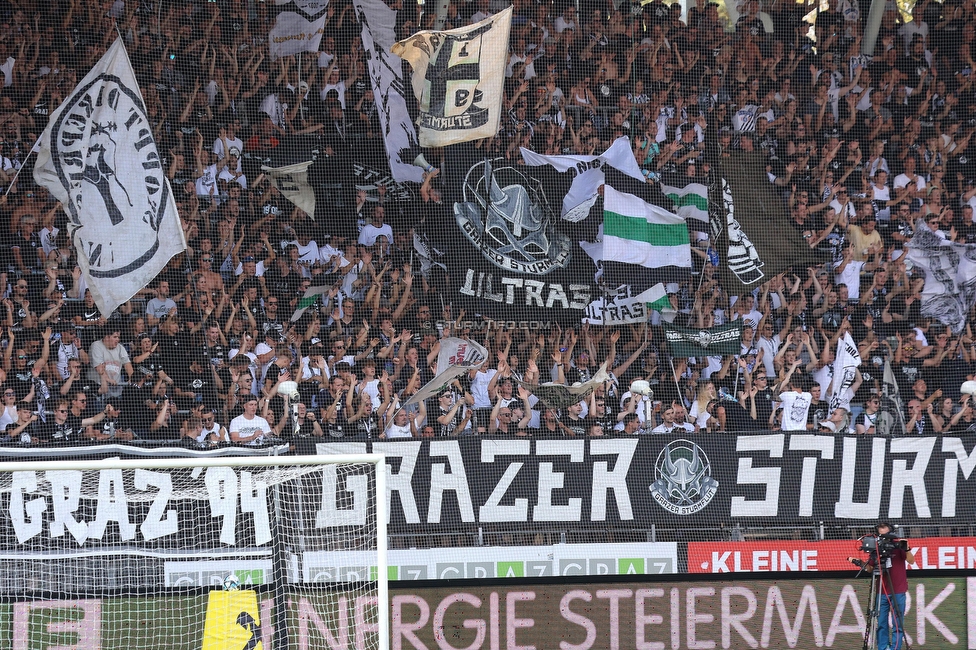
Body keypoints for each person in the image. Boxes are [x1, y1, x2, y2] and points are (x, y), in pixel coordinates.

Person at [868, 522, 914, 650]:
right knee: (881, 623)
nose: (884, 537)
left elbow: (911, 560)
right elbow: (870, 568)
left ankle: (895, 648)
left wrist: (907, 549)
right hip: (881, 591)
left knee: (897, 624)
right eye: (881, 534)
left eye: (886, 534)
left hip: (898, 590)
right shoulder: (876, 547)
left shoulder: (898, 545)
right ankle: (882, 648)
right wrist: (859, 563)